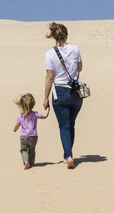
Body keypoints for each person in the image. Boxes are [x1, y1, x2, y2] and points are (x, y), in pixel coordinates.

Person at [43, 22, 83, 169]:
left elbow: (49, 77)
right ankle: (68, 154)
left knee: (64, 126)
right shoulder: (75, 49)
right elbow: (80, 68)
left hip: (59, 92)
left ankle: (68, 155)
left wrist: (45, 97)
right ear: (66, 35)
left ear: (53, 36)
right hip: (75, 92)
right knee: (71, 124)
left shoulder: (49, 54)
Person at [14, 93, 49, 170]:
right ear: (33, 104)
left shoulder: (21, 115)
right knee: (32, 150)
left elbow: (17, 125)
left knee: (24, 150)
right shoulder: (35, 114)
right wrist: (48, 110)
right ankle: (32, 163)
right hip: (34, 136)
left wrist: (15, 129)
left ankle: (26, 161)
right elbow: (45, 116)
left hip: (24, 137)